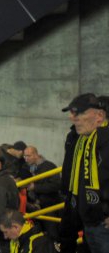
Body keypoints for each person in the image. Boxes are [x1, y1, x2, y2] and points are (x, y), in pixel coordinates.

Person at [59, 93, 109, 253]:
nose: (73, 118)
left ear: (99, 116)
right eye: (72, 113)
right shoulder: (80, 140)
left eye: (79, 113)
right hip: (87, 220)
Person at [22, 146, 61, 239]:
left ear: (36, 155)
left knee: (52, 233)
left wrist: (35, 187)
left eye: (28, 156)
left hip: (50, 205)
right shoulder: (28, 168)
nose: (26, 159)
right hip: (36, 206)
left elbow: (56, 185)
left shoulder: (49, 166)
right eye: (25, 156)